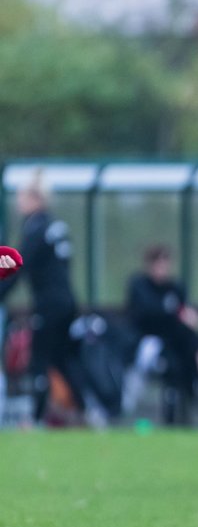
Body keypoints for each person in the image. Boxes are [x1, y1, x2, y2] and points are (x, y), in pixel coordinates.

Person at [0, 173, 93, 425]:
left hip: (50, 306)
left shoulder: (36, 226)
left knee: (40, 360)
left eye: (22, 196)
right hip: (67, 303)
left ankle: (36, 419)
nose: (19, 202)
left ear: (35, 198)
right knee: (61, 358)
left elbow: (19, 265)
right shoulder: (54, 225)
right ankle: (84, 413)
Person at [125, 244, 198, 425]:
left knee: (183, 353)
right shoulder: (139, 285)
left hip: (176, 343)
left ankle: (189, 395)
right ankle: (185, 398)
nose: (161, 268)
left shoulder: (176, 287)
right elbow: (147, 315)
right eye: (157, 263)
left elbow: (188, 322)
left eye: (165, 263)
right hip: (147, 344)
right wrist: (176, 314)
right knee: (171, 362)